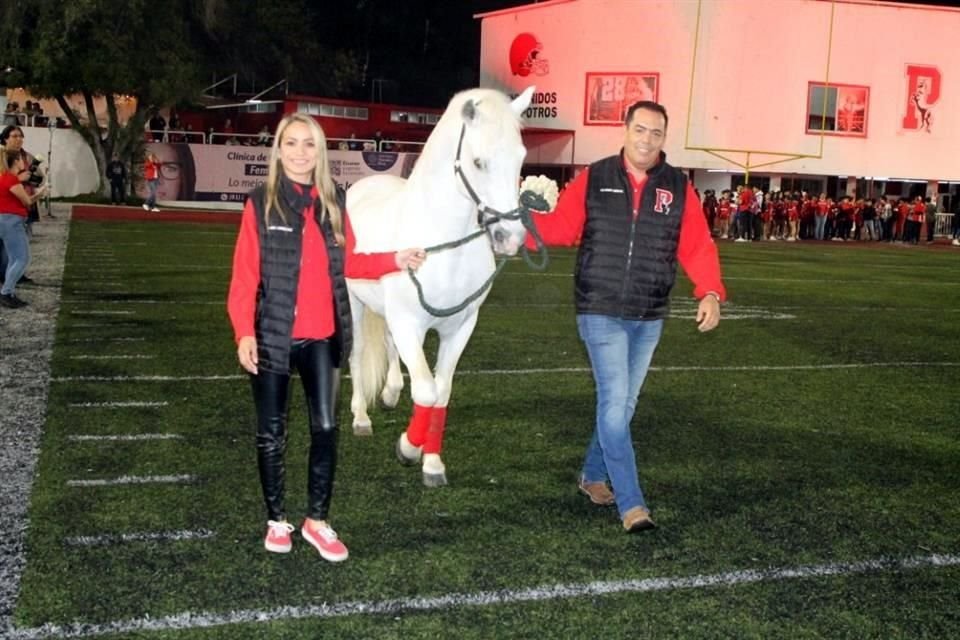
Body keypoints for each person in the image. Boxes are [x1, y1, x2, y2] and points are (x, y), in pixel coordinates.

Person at [227, 113, 427, 560]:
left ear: (320, 152)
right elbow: (244, 277)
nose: (300, 153)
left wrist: (395, 258)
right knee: (271, 433)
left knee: (326, 427)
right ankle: (277, 518)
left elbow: (352, 261)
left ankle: (317, 520)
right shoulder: (260, 202)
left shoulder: (333, 200)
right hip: (273, 335)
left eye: (309, 144)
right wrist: (244, 332)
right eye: (292, 143)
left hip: (324, 336)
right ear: (279, 149)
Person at [525, 100, 725, 533]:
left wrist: (709, 291)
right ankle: (632, 505)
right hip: (600, 308)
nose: (646, 140)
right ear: (625, 130)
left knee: (622, 407)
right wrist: (518, 228)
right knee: (616, 406)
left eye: (655, 133)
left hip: (649, 313)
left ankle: (593, 476)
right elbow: (561, 227)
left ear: (663, 138)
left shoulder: (678, 186)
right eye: (640, 130)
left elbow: (696, 245)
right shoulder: (595, 177)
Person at [0, 149, 48, 308]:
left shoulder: (7, 178)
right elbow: (27, 201)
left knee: (14, 259)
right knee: (22, 259)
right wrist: (41, 194)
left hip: (8, 220)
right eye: (21, 159)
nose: (24, 162)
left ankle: (9, 292)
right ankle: (6, 293)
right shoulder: (11, 179)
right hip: (11, 221)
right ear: (15, 161)